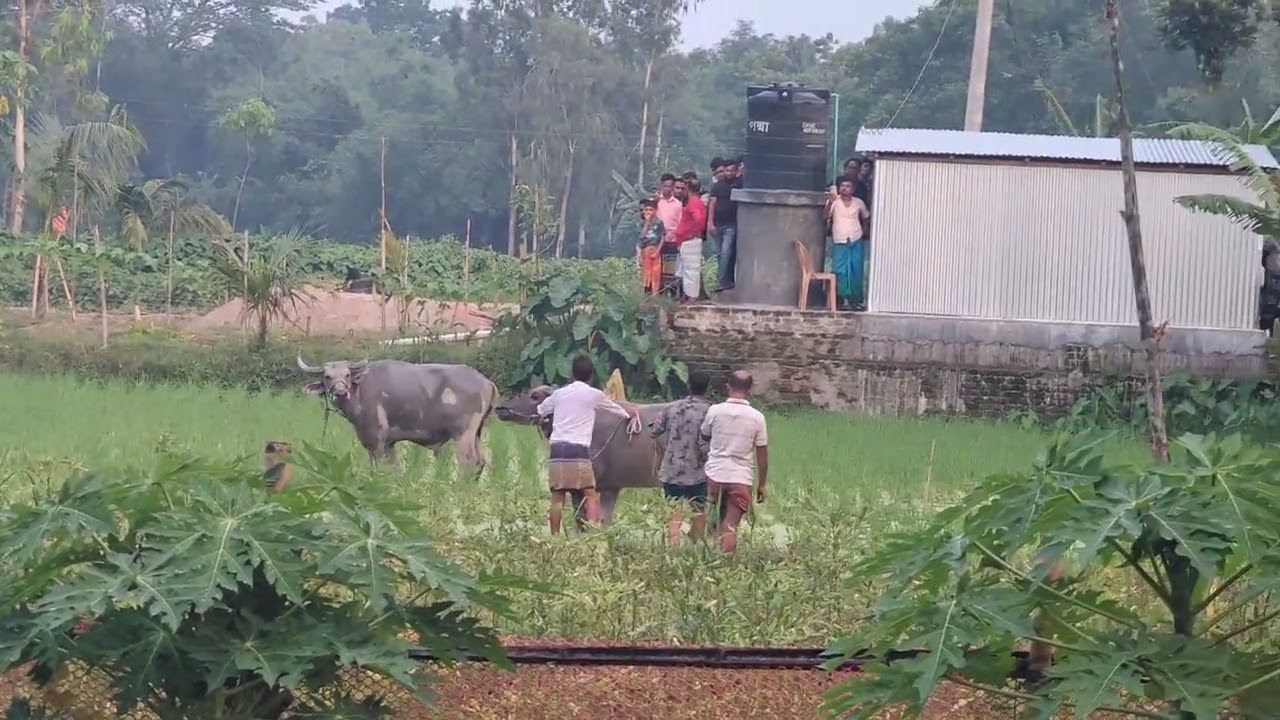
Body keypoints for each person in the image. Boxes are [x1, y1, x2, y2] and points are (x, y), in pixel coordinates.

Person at [535, 355, 640, 535]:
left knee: (557, 497)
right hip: (578, 450)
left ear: (572, 374)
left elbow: (540, 410)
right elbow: (617, 411)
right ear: (591, 375)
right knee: (590, 493)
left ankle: (553, 537)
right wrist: (631, 413)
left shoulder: (559, 393)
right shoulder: (594, 395)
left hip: (557, 450)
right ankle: (592, 534)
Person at [699, 370, 768, 555]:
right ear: (750, 390)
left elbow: (704, 435)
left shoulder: (714, 410)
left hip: (714, 476)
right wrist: (761, 485)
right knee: (730, 527)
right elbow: (762, 454)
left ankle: (703, 563)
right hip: (740, 479)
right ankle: (727, 569)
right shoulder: (757, 418)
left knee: (707, 523)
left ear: (728, 387)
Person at [649, 370, 712, 546]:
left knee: (674, 511)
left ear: (688, 385)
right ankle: (694, 546)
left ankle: (673, 547)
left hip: (672, 469)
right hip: (698, 470)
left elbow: (654, 432)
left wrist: (655, 421)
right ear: (707, 389)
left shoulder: (671, 408)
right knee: (699, 510)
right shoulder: (710, 412)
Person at [825, 178, 871, 312]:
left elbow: (866, 216)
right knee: (841, 270)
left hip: (856, 237)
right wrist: (830, 202)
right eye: (843, 186)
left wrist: (865, 231)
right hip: (840, 239)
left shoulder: (858, 202)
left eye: (848, 186)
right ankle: (842, 299)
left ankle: (855, 301)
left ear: (853, 189)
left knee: (856, 269)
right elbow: (824, 217)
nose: (845, 188)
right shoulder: (834, 202)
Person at [708, 157, 742, 293]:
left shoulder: (739, 184)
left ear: (736, 171)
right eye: (726, 170)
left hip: (731, 225)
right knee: (718, 254)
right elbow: (712, 205)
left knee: (726, 252)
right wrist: (710, 223)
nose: (728, 173)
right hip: (717, 224)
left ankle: (721, 281)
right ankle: (723, 279)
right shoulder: (718, 186)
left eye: (731, 171)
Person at [674, 174, 707, 303]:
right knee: (685, 269)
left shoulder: (694, 202)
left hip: (690, 240)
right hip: (685, 239)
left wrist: (692, 233)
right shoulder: (694, 201)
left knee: (691, 269)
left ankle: (693, 296)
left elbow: (699, 220)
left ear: (688, 188)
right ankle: (688, 294)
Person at [638, 198, 665, 294]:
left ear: (655, 211)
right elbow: (642, 236)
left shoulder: (659, 223)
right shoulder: (642, 223)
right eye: (647, 209)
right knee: (647, 272)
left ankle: (655, 293)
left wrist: (657, 251)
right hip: (645, 250)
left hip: (655, 249)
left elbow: (662, 238)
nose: (648, 212)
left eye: (651, 210)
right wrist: (647, 222)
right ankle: (647, 292)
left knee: (656, 273)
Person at [655, 173, 683, 246]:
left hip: (671, 241)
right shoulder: (655, 201)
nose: (667, 189)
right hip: (655, 241)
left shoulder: (678, 204)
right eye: (665, 186)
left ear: (673, 187)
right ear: (661, 186)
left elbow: (680, 224)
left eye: (669, 186)